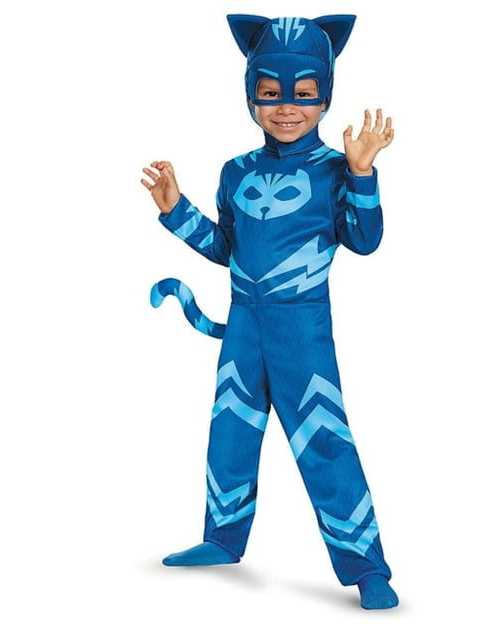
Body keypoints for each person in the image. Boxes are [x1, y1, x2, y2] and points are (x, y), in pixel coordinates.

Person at [140, 14, 398, 610]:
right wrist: (176, 210)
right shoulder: (236, 172)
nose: (286, 107)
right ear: (251, 94)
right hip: (244, 324)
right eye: (270, 92)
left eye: (304, 93)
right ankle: (222, 538)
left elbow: (365, 240)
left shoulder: (335, 169)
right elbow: (226, 248)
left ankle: (367, 567)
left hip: (301, 329)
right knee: (230, 429)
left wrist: (362, 173)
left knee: (323, 439)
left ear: (325, 96)